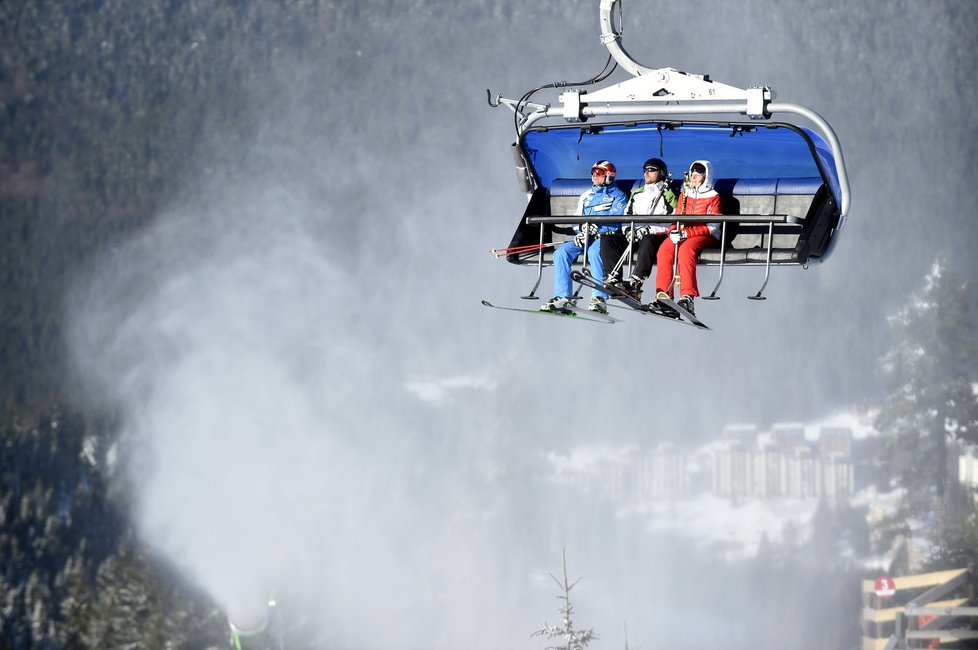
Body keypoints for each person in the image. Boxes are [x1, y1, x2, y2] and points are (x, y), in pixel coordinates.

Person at [539, 160, 627, 314]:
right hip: (585, 236)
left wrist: (596, 227)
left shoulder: (618, 196)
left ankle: (599, 299)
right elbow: (576, 218)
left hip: (605, 237)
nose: (594, 176)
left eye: (598, 173)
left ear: (608, 175)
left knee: (594, 252)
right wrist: (581, 229)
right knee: (562, 252)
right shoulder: (586, 195)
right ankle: (563, 297)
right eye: (592, 172)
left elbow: (617, 220)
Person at [600, 157, 677, 301]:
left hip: (655, 236)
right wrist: (629, 230)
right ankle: (614, 278)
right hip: (636, 235)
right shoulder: (637, 194)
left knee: (647, 240)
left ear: (661, 173)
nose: (646, 173)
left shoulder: (668, 194)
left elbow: (672, 220)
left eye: (651, 170)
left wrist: (649, 229)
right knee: (608, 239)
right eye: (645, 170)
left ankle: (635, 283)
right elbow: (627, 216)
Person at [651, 159, 721, 317]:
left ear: (706, 177)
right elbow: (676, 217)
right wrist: (673, 231)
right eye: (692, 174)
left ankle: (687, 296)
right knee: (664, 250)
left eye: (699, 174)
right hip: (683, 233)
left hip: (706, 235)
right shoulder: (685, 194)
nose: (694, 177)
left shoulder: (713, 196)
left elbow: (712, 226)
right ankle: (664, 296)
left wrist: (686, 234)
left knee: (686, 250)